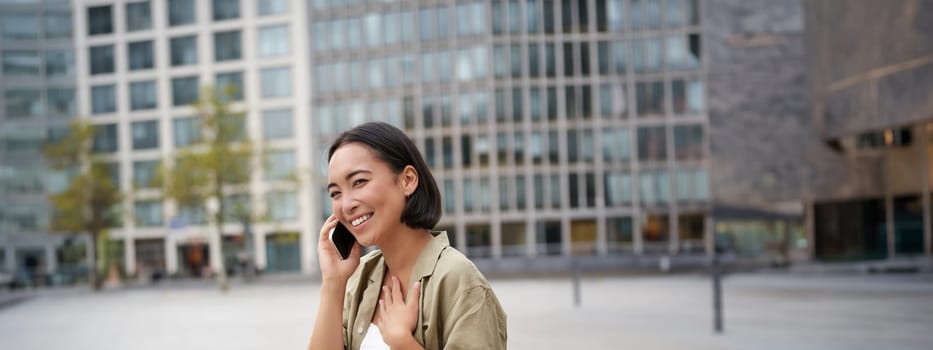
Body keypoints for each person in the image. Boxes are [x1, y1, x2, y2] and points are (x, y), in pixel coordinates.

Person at [309, 122, 507, 350]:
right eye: (336, 193)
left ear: (408, 180)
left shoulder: (458, 281)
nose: (346, 205)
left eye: (359, 182)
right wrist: (333, 283)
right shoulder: (359, 278)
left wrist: (403, 342)